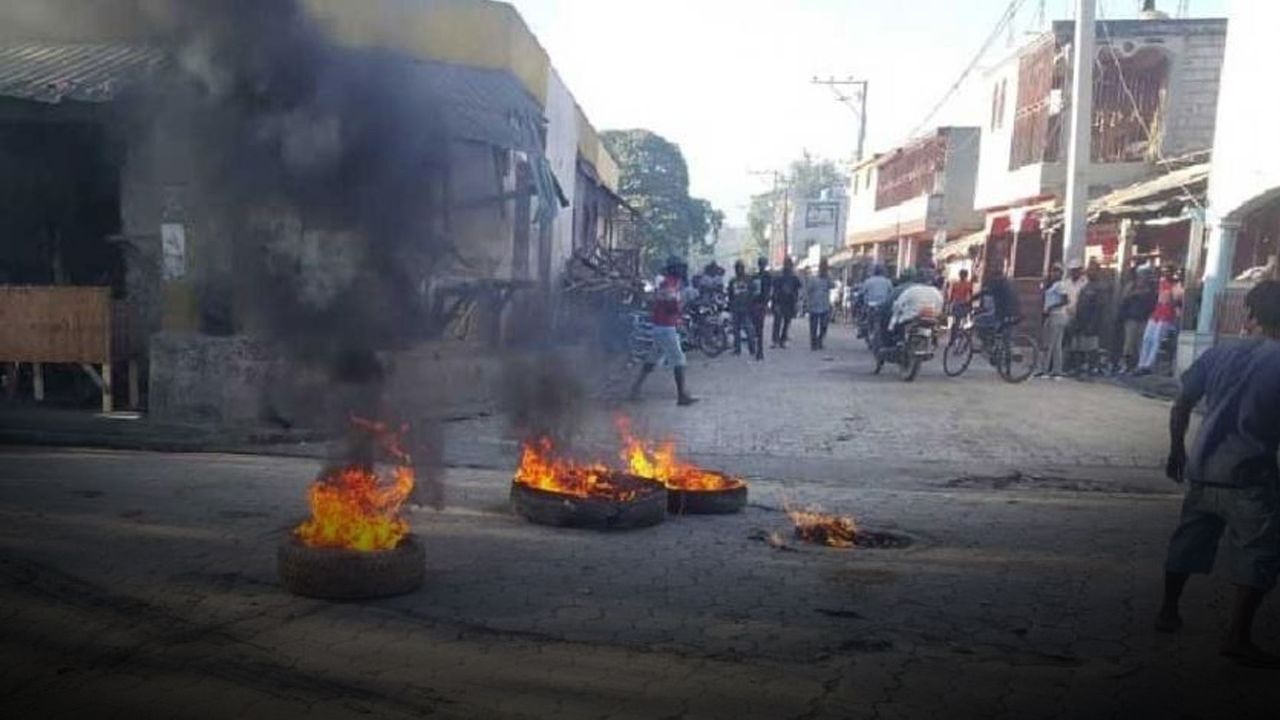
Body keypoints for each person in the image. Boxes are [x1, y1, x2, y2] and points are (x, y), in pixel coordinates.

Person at [1157, 280, 1280, 667]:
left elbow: (1181, 405)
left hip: (1203, 469)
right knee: (1258, 554)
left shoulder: (1220, 352)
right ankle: (1237, 635)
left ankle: (1167, 611)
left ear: (1250, 313)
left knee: (1188, 541)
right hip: (1250, 476)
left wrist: (1177, 449)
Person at [629, 256, 698, 406]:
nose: (682, 270)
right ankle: (682, 396)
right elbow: (671, 307)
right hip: (666, 327)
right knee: (679, 360)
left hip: (661, 327)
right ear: (674, 269)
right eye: (679, 267)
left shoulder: (668, 283)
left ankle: (634, 389)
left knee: (652, 359)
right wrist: (681, 305)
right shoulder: (669, 284)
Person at [1136, 266, 1184, 375]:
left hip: (1166, 315)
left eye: (1169, 272)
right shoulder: (1161, 283)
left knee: (1156, 340)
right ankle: (1141, 363)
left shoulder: (1176, 287)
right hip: (1156, 314)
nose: (1167, 274)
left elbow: (1176, 302)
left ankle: (1148, 365)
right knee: (1147, 338)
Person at [1070, 265, 1107, 376]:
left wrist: (1093, 324)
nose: (1090, 273)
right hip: (1081, 321)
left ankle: (1091, 370)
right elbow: (1079, 305)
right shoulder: (1086, 287)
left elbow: (1099, 308)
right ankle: (1079, 369)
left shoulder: (1100, 288)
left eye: (1092, 271)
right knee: (1079, 347)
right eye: (1089, 271)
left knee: (1091, 348)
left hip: (1092, 322)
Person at [1118, 270, 1157, 373]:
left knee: (1141, 343)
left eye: (1146, 275)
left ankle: (1139, 365)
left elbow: (1153, 302)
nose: (1144, 278)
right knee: (1129, 343)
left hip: (1144, 319)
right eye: (1142, 275)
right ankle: (1126, 364)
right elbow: (1124, 299)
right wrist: (1134, 294)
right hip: (1131, 318)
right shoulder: (1131, 286)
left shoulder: (1150, 288)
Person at [1037, 264, 1069, 378]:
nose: (1054, 273)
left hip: (1057, 315)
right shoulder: (1052, 285)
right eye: (1053, 271)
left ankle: (1047, 370)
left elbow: (1065, 300)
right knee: (1054, 345)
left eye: (1057, 271)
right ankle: (1055, 370)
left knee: (1051, 344)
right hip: (1051, 315)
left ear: (1061, 273)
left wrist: (1051, 307)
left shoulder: (1061, 285)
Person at [770, 257, 802, 349]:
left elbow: (798, 290)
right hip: (780, 302)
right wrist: (774, 302)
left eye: (789, 264)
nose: (788, 266)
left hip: (789, 302)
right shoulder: (779, 276)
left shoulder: (794, 278)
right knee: (778, 322)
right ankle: (776, 340)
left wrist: (797, 302)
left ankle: (782, 340)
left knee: (786, 322)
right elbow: (774, 290)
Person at [805, 258, 836, 350]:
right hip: (814, 304)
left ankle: (819, 341)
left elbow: (833, 285)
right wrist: (808, 302)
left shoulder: (827, 278)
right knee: (813, 326)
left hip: (824, 305)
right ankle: (814, 343)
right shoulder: (813, 278)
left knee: (824, 325)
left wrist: (829, 276)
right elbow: (808, 290)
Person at [727, 260, 754, 357]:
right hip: (736, 308)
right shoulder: (732, 281)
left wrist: (751, 305)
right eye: (737, 268)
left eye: (740, 268)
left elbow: (752, 293)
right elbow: (730, 295)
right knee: (736, 330)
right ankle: (737, 349)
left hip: (746, 308)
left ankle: (752, 348)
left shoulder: (749, 280)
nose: (739, 270)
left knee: (749, 329)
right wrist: (730, 306)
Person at [749, 257, 772, 361]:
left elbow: (768, 291)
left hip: (759, 304)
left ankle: (759, 350)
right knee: (757, 328)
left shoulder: (762, 276)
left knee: (758, 328)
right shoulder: (759, 276)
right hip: (757, 304)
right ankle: (758, 349)